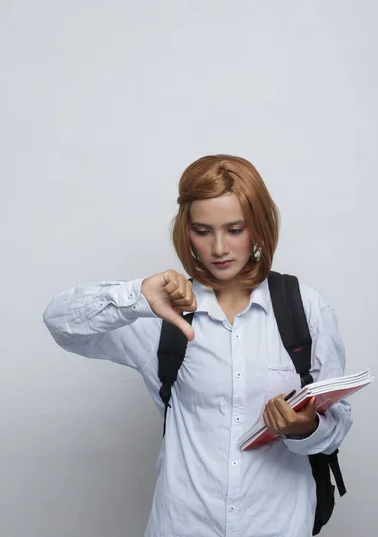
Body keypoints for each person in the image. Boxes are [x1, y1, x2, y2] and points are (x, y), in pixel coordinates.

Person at [43, 154, 353, 537]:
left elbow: (337, 424)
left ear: (258, 226)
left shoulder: (304, 308)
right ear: (186, 231)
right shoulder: (164, 314)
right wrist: (137, 294)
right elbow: (60, 323)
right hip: (182, 525)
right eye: (203, 231)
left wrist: (304, 427)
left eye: (235, 229)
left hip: (279, 526)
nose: (219, 248)